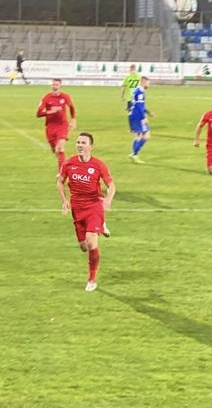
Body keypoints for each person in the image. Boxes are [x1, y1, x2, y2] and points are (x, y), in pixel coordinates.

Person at [57, 132, 116, 292]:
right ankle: (101, 226)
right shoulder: (69, 163)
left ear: (91, 147)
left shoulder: (98, 165)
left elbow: (111, 185)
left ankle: (92, 279)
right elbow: (60, 182)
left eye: (83, 143)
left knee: (91, 242)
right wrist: (64, 201)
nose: (80, 145)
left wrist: (108, 199)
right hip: (77, 209)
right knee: (83, 247)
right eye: (78, 142)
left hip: (94, 207)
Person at [36, 78, 76, 171]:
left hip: (62, 125)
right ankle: (64, 164)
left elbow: (71, 107)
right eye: (53, 85)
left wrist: (73, 119)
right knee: (55, 150)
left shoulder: (65, 96)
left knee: (61, 149)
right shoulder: (46, 98)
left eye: (57, 85)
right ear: (51, 86)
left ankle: (62, 173)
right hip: (50, 127)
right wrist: (50, 111)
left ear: (60, 86)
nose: (55, 87)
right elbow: (38, 114)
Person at [128, 76, 151, 164]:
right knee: (146, 135)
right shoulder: (140, 92)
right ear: (144, 82)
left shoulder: (136, 90)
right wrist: (143, 117)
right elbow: (139, 106)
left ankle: (133, 154)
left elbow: (136, 105)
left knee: (138, 135)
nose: (149, 85)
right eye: (148, 83)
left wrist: (148, 112)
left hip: (133, 115)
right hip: (138, 116)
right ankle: (135, 154)